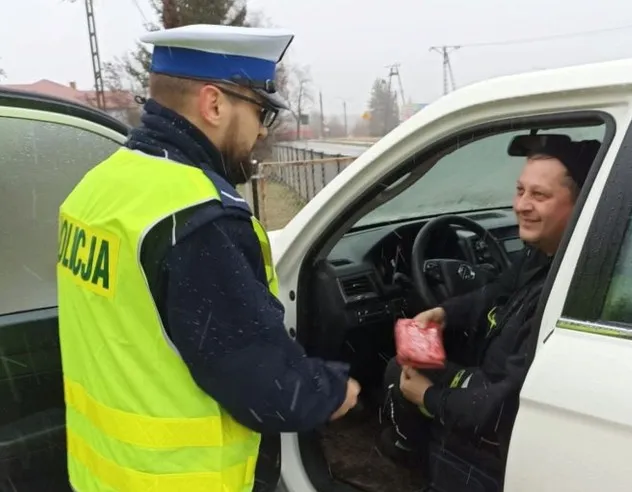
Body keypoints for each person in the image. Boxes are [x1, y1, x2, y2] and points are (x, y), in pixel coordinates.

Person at [56, 24, 359, 492]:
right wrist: (336, 389)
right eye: (260, 112)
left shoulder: (96, 189)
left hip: (102, 475)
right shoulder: (199, 220)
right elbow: (266, 387)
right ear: (214, 104)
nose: (261, 131)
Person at [379, 136, 600, 492]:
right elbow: (494, 292)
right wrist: (445, 312)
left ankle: (415, 450)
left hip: (495, 423)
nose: (521, 206)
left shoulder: (563, 290)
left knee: (402, 378)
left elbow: (502, 408)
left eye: (539, 196)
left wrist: (429, 398)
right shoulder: (541, 254)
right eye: (519, 190)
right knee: (405, 367)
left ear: (579, 204)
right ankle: (414, 450)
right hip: (486, 384)